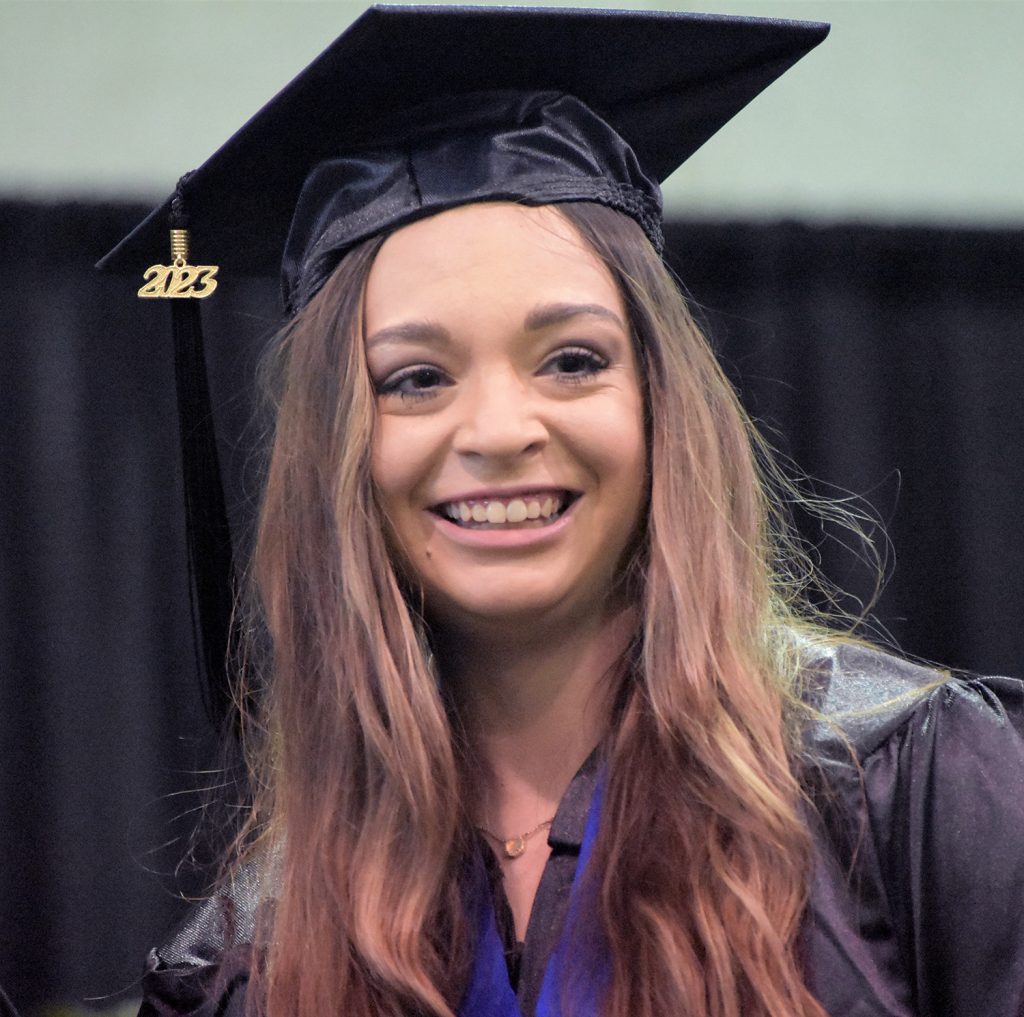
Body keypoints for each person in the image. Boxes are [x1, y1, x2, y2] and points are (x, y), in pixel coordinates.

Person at [101, 7, 1024, 1017]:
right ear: (339, 456)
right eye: (413, 378)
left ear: (662, 402)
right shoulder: (258, 952)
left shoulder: (905, 794)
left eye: (572, 360)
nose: (498, 428)